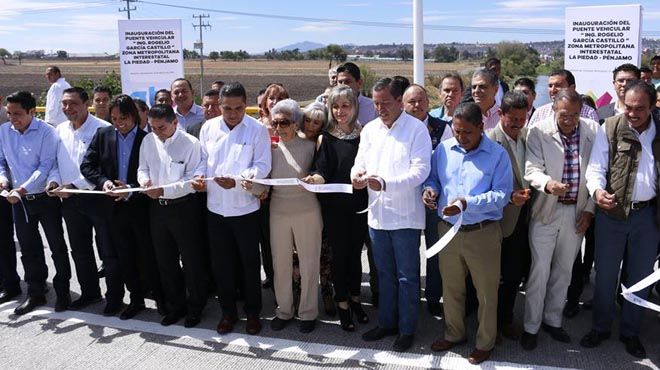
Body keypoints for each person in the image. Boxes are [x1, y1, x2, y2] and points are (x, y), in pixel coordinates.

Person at [424, 102, 512, 365]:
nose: (461, 138)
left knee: (486, 292)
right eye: (457, 131)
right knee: (451, 288)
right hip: (448, 230)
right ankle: (454, 333)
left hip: (482, 233)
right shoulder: (443, 149)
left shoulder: (497, 155)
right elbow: (433, 179)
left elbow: (501, 195)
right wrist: (429, 191)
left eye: (467, 133)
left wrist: (467, 203)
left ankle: (485, 342)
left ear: (481, 127)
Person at [581, 81, 660, 359]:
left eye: (640, 108)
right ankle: (600, 327)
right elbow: (595, 169)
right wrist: (598, 191)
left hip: (649, 216)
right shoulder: (611, 127)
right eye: (628, 107)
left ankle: (630, 332)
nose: (633, 113)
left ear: (652, 106)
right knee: (605, 275)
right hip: (612, 215)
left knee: (640, 277)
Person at [351, 77, 431, 352]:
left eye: (385, 102)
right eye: (375, 103)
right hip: (377, 214)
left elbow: (420, 171)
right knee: (383, 273)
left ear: (399, 101)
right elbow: (359, 162)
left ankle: (407, 329)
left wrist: (386, 183)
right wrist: (357, 175)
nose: (380, 108)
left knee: (407, 276)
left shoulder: (416, 129)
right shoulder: (370, 130)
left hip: (405, 216)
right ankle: (386, 322)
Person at [192, 82, 271, 335]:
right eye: (227, 108)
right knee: (222, 265)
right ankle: (228, 314)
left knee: (249, 265)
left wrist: (238, 180)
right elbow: (202, 161)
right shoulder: (208, 128)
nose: (233, 114)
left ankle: (253, 314)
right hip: (215, 209)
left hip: (245, 209)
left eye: (238, 108)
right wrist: (198, 177)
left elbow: (262, 165)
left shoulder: (257, 130)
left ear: (245, 105)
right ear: (219, 106)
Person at [521, 89, 597, 350]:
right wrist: (547, 184)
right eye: (564, 115)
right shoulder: (538, 131)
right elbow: (531, 169)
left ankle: (553, 320)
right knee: (539, 270)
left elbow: (599, 172)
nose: (570, 120)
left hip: (576, 212)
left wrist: (590, 209)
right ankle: (531, 326)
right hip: (546, 210)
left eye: (575, 115)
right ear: (554, 109)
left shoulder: (591, 130)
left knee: (564, 271)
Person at [81, 94, 164, 319]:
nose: (119, 123)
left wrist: (131, 188)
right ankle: (135, 300)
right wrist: (104, 182)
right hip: (113, 209)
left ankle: (162, 299)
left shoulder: (148, 140)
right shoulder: (103, 135)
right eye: (115, 118)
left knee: (148, 256)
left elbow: (156, 174)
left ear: (135, 117)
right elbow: (87, 166)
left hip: (141, 208)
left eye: (124, 118)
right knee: (124, 257)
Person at [246, 99, 322, 333]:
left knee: (309, 263)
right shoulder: (270, 150)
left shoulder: (311, 146)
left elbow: (322, 174)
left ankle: (308, 313)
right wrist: (248, 186)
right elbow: (263, 184)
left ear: (296, 122)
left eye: (285, 122)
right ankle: (284, 310)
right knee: (279, 263)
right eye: (276, 122)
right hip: (278, 210)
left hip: (307, 209)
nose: (279, 127)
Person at [0, 91, 72, 315]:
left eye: (18, 114)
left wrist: (22, 189)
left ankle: (63, 293)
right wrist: (3, 179)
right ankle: (35, 291)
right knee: (28, 248)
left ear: (32, 111)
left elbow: (46, 166)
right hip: (18, 201)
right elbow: (1, 161)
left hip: (44, 198)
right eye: (9, 113)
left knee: (56, 246)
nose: (13, 118)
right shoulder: (4, 131)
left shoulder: (47, 132)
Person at [137, 104, 207, 328]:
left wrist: (164, 190)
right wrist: (144, 181)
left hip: (183, 207)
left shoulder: (190, 144)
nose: (157, 132)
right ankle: (176, 306)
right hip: (157, 209)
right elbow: (142, 168)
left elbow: (190, 180)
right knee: (165, 260)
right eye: (153, 128)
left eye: (162, 128)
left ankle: (196, 307)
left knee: (191, 260)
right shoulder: (148, 141)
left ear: (175, 123)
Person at [306, 86, 369, 331]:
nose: (340, 111)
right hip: (335, 208)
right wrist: (314, 180)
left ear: (354, 106)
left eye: (345, 105)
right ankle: (342, 302)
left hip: (361, 206)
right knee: (339, 257)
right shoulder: (326, 137)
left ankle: (356, 299)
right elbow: (322, 170)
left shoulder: (365, 134)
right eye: (335, 106)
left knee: (355, 255)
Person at [48, 87, 113, 312]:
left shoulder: (103, 129)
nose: (68, 108)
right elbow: (56, 164)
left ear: (87, 104)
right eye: (64, 104)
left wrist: (75, 186)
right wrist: (55, 182)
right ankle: (90, 294)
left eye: (73, 103)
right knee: (80, 250)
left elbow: (104, 168)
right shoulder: (60, 130)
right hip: (70, 201)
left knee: (108, 250)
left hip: (98, 198)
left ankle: (114, 298)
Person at [402, 84, 452, 316]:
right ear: (403, 104)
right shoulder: (397, 129)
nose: (417, 105)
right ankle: (410, 297)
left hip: (434, 199)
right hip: (404, 200)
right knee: (408, 252)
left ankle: (433, 296)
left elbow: (449, 166)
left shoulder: (442, 129)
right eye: (411, 101)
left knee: (434, 250)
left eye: (421, 100)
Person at [486, 91, 531, 341]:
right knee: (494, 277)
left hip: (524, 218)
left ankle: (506, 318)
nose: (517, 122)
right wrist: (509, 196)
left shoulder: (527, 138)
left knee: (514, 273)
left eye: (522, 118)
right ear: (500, 114)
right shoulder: (489, 141)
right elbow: (482, 185)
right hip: (499, 219)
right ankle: (489, 322)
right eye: (511, 117)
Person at [297, 102, 335, 316]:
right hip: (298, 203)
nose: (311, 125)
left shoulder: (323, 142)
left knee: (324, 253)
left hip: (320, 202)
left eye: (317, 122)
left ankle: (327, 293)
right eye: (308, 120)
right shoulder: (294, 139)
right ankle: (300, 296)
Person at [528, 69, 599, 126]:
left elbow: (595, 140)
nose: (553, 90)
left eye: (558, 85)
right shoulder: (540, 113)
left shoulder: (589, 113)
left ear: (572, 88)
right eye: (550, 86)